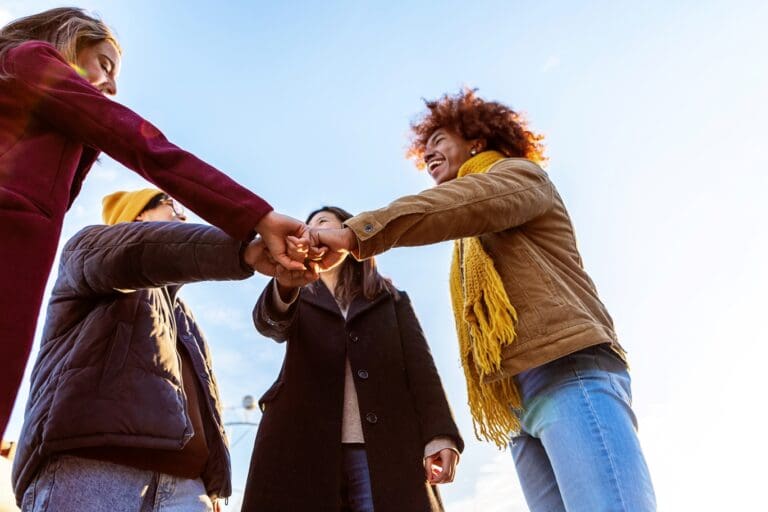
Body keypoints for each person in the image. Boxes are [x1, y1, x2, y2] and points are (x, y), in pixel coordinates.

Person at [308, 91, 657, 511]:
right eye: (424, 149)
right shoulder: (468, 237)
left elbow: (463, 203)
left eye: (438, 139)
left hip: (568, 372)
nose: (429, 153)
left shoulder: (519, 176)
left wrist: (357, 233)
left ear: (475, 139)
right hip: (514, 402)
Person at [0, 7, 308, 436]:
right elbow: (142, 144)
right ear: (70, 38)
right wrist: (256, 216)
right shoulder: (30, 58)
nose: (111, 86)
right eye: (105, 65)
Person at [11, 188, 298, 512]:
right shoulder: (89, 249)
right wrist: (243, 252)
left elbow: (207, 408)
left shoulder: (185, 320)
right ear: (139, 215)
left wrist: (212, 484)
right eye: (170, 204)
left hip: (189, 487)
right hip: (91, 466)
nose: (183, 214)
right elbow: (136, 251)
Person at [242, 206, 463, 512]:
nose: (311, 230)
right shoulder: (295, 292)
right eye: (306, 227)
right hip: (301, 451)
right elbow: (270, 325)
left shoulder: (391, 298)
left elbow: (422, 369)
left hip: (384, 451)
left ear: (346, 234)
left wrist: (440, 434)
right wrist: (284, 284)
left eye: (322, 223)